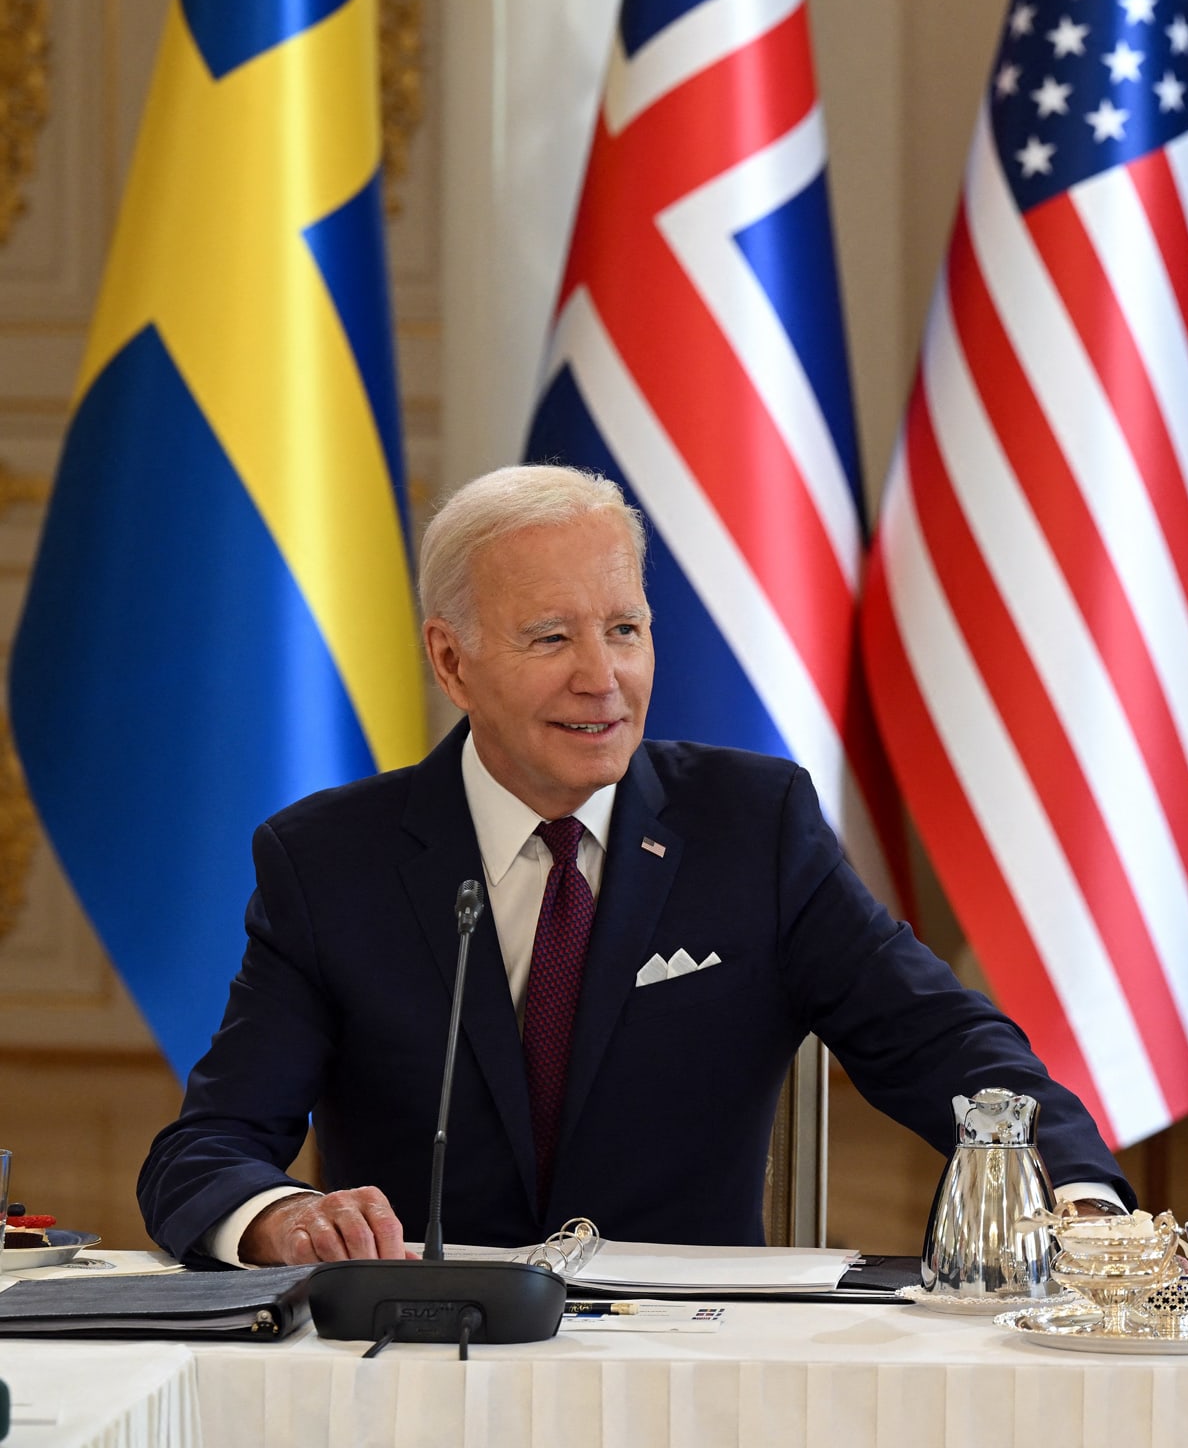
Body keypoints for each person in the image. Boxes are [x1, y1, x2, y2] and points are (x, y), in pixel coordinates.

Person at [138, 466, 1130, 1266]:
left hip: (693, 1368)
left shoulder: (754, 826)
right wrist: (281, 1218)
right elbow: (208, 1148)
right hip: (428, 1357)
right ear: (451, 662)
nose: (602, 677)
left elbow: (945, 1045)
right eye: (551, 638)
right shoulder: (329, 861)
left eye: (624, 630)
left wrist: (1077, 1197)